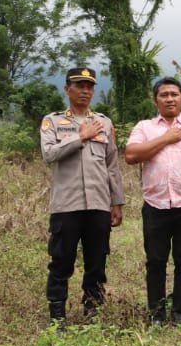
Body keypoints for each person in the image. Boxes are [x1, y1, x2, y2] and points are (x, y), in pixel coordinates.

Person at [125, 77, 181, 326]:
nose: (169, 99)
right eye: (164, 94)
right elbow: (132, 155)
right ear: (155, 100)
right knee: (155, 261)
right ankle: (156, 313)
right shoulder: (144, 127)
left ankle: (180, 312)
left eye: (174, 94)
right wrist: (167, 137)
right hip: (155, 205)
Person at [39, 66, 125, 327]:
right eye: (79, 86)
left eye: (89, 87)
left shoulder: (104, 123)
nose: (85, 91)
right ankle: (57, 318)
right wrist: (80, 137)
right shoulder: (52, 121)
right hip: (67, 205)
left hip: (99, 204)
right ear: (67, 89)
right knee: (61, 261)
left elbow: (112, 165)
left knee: (97, 261)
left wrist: (117, 202)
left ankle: (93, 313)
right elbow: (49, 154)